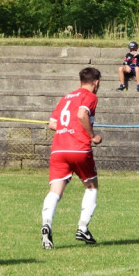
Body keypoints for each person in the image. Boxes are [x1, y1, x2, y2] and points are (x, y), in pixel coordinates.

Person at [41, 67, 102, 249]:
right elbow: (82, 114)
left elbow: (52, 123)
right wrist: (92, 135)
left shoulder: (66, 97)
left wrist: (69, 127)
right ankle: (82, 227)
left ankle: (46, 225)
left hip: (59, 149)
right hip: (78, 148)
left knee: (55, 191)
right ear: (96, 82)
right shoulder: (90, 97)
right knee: (91, 186)